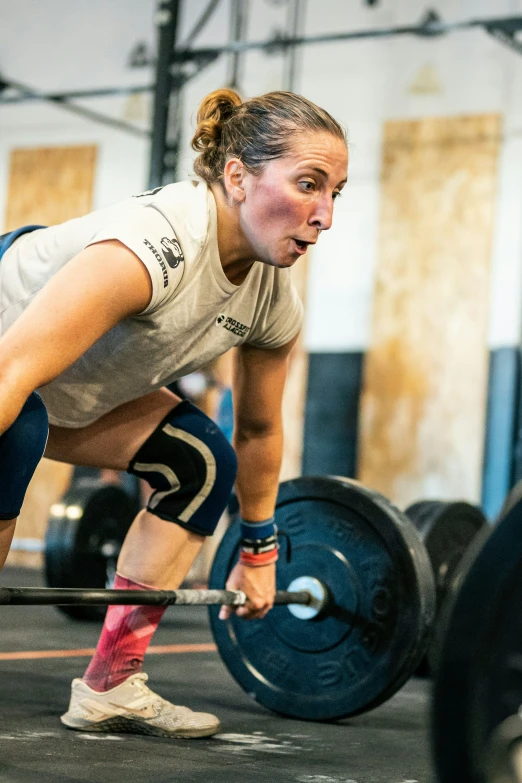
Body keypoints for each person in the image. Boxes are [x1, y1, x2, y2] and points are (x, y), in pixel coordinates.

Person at [0, 88, 348, 738]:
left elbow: (259, 430)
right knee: (16, 430)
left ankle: (112, 684)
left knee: (202, 462)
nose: (325, 214)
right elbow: (11, 369)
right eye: (309, 184)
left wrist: (260, 547)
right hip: (7, 351)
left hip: (67, 384)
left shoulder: (272, 299)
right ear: (238, 177)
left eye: (336, 192)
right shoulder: (156, 245)